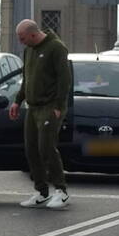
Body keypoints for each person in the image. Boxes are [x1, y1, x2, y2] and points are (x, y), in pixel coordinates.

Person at [9, 19, 72, 209]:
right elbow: (26, 79)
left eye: (22, 38)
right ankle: (41, 191)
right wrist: (18, 101)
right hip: (33, 107)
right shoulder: (29, 50)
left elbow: (64, 79)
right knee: (31, 148)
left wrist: (59, 105)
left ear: (33, 34)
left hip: (50, 106)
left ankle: (61, 190)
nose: (21, 42)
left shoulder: (56, 48)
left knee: (46, 147)